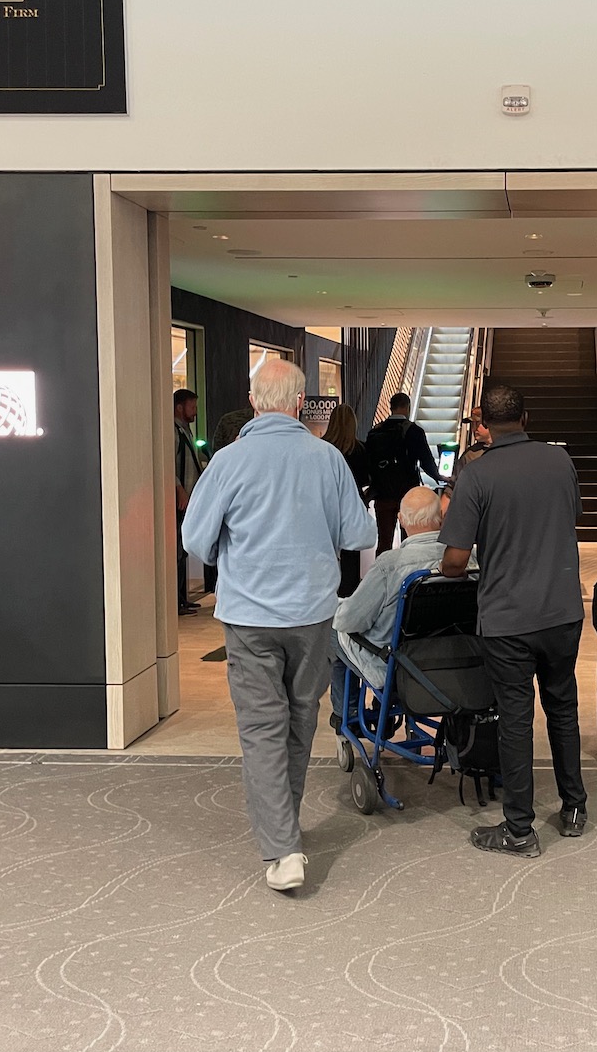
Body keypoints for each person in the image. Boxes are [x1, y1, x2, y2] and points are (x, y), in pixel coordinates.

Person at [182, 359, 376, 893]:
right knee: (297, 723)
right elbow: (359, 534)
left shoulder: (227, 461)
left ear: (252, 400)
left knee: (262, 730)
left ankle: (283, 845)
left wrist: (235, 549)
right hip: (312, 615)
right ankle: (284, 835)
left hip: (248, 617)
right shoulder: (328, 459)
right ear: (298, 403)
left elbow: (195, 542)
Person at [439, 384, 588, 858]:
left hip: (507, 618)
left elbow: (456, 561)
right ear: (526, 416)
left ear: (483, 422)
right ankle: (574, 808)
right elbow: (571, 517)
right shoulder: (560, 461)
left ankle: (519, 830)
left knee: (516, 719)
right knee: (563, 708)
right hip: (562, 609)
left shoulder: (476, 476)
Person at [332, 487, 451, 690]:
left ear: (401, 519)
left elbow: (349, 621)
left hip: (393, 668)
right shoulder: (464, 560)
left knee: (332, 626)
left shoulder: (390, 565)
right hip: (448, 664)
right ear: (440, 516)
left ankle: (347, 714)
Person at [367, 392, 445, 554]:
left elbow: (369, 463)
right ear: (407, 407)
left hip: (383, 494)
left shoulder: (375, 432)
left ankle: (384, 575)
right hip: (408, 494)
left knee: (384, 542)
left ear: (391, 408)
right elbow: (426, 462)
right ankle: (407, 574)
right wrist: (439, 477)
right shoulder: (414, 431)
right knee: (410, 541)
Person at [323, 403, 371, 598]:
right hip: (354, 503)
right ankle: (348, 592)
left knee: (327, 547)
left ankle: (327, 588)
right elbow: (366, 479)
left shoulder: (323, 448)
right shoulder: (360, 449)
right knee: (352, 552)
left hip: (328, 503)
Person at [173, 389, 207, 615]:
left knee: (181, 549)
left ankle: (182, 598)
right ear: (179, 407)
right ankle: (175, 599)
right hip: (179, 501)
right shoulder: (174, 431)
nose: (195, 411)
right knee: (175, 548)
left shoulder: (185, 431)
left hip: (188, 501)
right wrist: (180, 491)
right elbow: (169, 464)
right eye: (192, 407)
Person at [453, 406, 491, 479]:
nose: (474, 428)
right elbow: (455, 484)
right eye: (472, 424)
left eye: (477, 423)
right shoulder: (469, 455)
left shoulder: (506, 450)